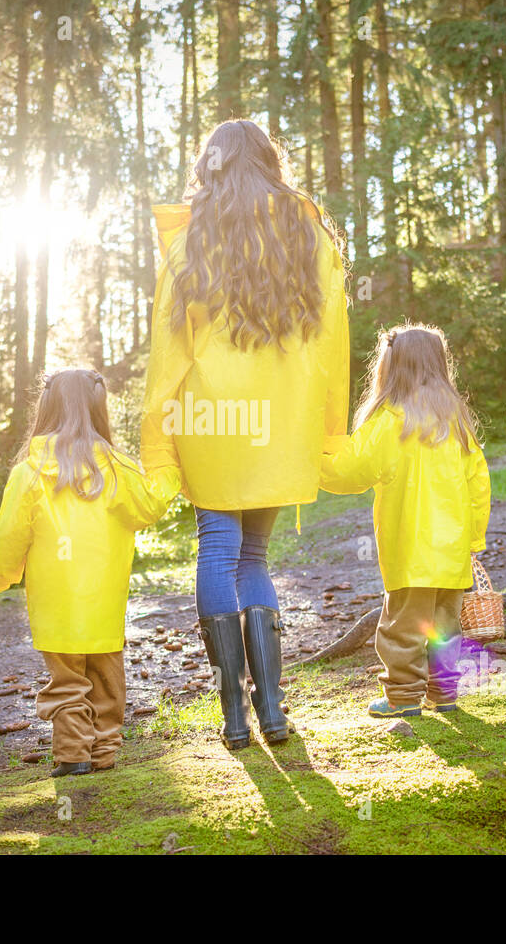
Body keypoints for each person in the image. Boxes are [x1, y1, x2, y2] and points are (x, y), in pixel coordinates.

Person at [142, 119, 350, 749]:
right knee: (255, 556)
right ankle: (274, 711)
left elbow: (167, 352)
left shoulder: (189, 238)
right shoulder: (305, 227)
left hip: (212, 416)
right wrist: (326, 425)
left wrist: (160, 435)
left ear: (210, 167)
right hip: (279, 413)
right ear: (268, 161)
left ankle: (233, 716)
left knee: (217, 544)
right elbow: (332, 338)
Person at [0, 369, 179, 776]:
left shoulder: (30, 472)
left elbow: (9, 532)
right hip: (104, 601)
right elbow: (151, 505)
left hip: (54, 603)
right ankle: (104, 752)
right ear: (97, 409)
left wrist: (1, 574)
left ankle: (74, 753)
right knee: (108, 678)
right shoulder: (118, 469)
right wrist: (169, 467)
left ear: (47, 409)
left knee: (67, 679)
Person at [320, 325, 491, 718]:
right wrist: (474, 538)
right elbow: (479, 483)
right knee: (446, 625)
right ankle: (444, 693)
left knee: (403, 626)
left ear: (392, 367)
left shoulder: (390, 422)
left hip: (409, 551)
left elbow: (351, 471)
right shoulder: (458, 424)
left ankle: (402, 697)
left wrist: (314, 462)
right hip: (451, 554)